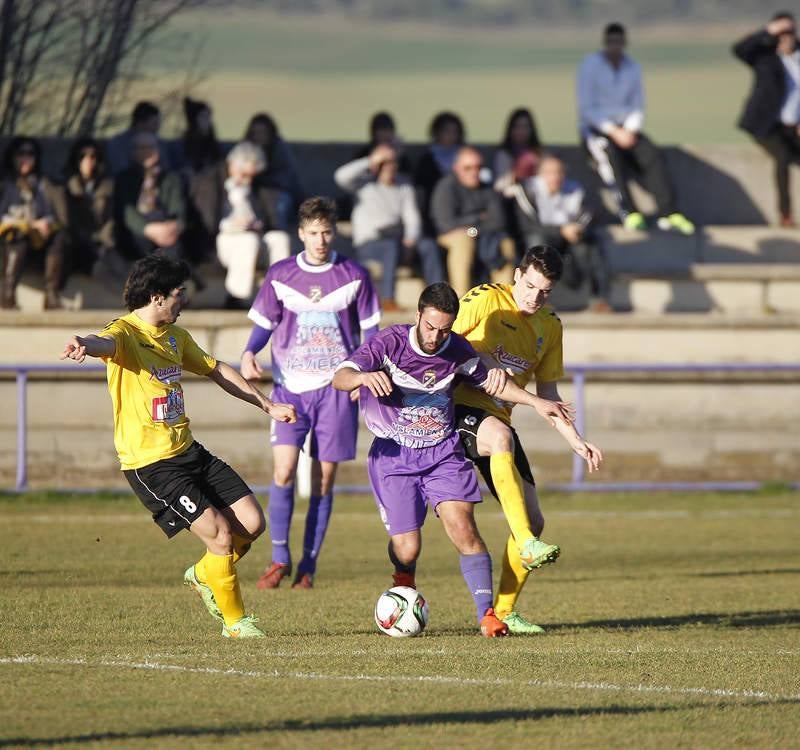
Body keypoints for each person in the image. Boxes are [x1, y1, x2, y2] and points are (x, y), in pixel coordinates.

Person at [59, 254, 297, 639]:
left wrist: (267, 404)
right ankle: (236, 623)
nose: (183, 301)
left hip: (189, 452)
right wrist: (82, 343)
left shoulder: (175, 337)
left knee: (252, 524)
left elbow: (216, 369)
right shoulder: (125, 333)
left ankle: (205, 573)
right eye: (178, 294)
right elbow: (103, 342)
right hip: (151, 464)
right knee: (220, 535)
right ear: (156, 297)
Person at [331, 282, 574, 636]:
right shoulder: (390, 343)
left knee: (464, 529)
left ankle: (488, 615)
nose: (435, 337)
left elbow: (496, 385)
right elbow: (340, 377)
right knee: (408, 547)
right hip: (395, 456)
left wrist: (536, 402)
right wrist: (363, 377)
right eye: (430, 327)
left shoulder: (457, 349)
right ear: (418, 316)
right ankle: (404, 580)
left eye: (444, 329)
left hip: (443, 452)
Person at [453, 245, 603, 634]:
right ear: (517, 275)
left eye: (545, 291)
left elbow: (548, 393)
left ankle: (503, 612)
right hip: (452, 407)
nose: (534, 297)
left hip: (498, 415)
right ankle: (524, 543)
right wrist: (480, 363)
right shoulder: (485, 298)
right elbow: (441, 343)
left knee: (534, 519)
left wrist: (575, 438)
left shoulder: (550, 326)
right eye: (530, 286)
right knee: (500, 436)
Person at [241, 196, 381, 590]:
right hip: (291, 389)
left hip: (336, 390)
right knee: (283, 471)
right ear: (301, 233)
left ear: (334, 233)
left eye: (327, 232)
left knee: (323, 481)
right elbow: (265, 323)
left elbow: (370, 334)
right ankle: (279, 558)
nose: (320, 239)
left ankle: (309, 566)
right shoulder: (281, 274)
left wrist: (363, 378)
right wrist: (250, 350)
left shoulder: (354, 274)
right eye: (313, 232)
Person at [577, 23, 695, 234]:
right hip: (598, 128)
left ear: (624, 43)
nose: (615, 47)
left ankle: (669, 212)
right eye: (611, 42)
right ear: (605, 43)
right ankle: (629, 212)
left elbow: (638, 104)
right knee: (611, 158)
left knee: (652, 155)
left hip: (628, 128)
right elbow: (586, 108)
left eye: (618, 42)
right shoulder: (590, 65)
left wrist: (630, 129)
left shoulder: (632, 67)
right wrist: (613, 131)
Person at [335, 143, 444, 311]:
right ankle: (387, 300)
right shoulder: (362, 185)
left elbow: (412, 217)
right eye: (384, 162)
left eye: (392, 161)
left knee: (428, 246)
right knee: (389, 247)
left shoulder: (404, 185)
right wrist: (370, 161)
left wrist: (411, 239)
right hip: (370, 243)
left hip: (398, 239)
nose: (389, 166)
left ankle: (438, 298)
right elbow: (340, 176)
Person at [191, 141, 291, 309]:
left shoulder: (257, 186)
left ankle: (279, 295)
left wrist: (255, 223)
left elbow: (270, 219)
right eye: (243, 174)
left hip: (256, 237)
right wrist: (231, 225)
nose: (247, 180)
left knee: (279, 238)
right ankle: (236, 296)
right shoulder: (210, 181)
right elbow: (206, 221)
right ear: (232, 164)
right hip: (224, 240)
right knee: (247, 240)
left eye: (251, 176)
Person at [512, 154, 613, 312]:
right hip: (542, 238)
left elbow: (589, 214)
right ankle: (535, 296)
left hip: (571, 239)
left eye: (559, 172)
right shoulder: (527, 190)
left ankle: (599, 298)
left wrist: (578, 228)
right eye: (549, 172)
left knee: (591, 244)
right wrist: (560, 230)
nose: (555, 177)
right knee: (537, 242)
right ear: (539, 174)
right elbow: (528, 225)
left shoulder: (576, 190)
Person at [733, 12, 800, 227]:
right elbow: (740, 50)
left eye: (788, 34)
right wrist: (768, 30)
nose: (785, 40)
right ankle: (785, 214)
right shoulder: (766, 58)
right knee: (782, 156)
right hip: (766, 125)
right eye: (781, 36)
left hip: (793, 125)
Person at [431, 146, 516, 297]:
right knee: (463, 241)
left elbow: (498, 221)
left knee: (506, 243)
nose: (474, 172)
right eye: (467, 168)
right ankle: (460, 299)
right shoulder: (446, 187)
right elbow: (446, 224)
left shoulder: (487, 189)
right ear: (456, 168)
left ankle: (504, 299)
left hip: (482, 235)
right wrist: (478, 218)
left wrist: (472, 229)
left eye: (478, 167)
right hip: (449, 237)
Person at [0, 136, 67, 309]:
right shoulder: (5, 183)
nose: (25, 159)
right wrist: (28, 224)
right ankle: (7, 294)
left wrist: (44, 222)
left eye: (30, 154)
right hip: (9, 240)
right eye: (20, 154)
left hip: (37, 240)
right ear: (12, 157)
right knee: (16, 234)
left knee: (58, 235)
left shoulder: (42, 183)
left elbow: (52, 213)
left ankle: (51, 294)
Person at [113, 131, 186, 262]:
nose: (148, 151)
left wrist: (173, 226)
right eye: (142, 148)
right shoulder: (124, 179)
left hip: (165, 230)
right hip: (137, 230)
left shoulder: (171, 178)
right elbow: (126, 212)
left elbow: (178, 209)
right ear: (133, 152)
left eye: (152, 147)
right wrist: (149, 229)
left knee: (172, 251)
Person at [63, 137, 115, 278]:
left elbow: (110, 218)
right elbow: (68, 219)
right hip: (76, 240)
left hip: (101, 240)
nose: (88, 160)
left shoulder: (107, 185)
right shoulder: (65, 184)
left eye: (93, 156)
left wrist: (104, 241)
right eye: (82, 156)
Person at [244, 113, 304, 230]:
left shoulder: (280, 151)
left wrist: (262, 180)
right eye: (256, 132)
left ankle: (276, 229)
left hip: (278, 194)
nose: (259, 136)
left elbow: (287, 180)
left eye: (263, 132)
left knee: (277, 203)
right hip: (253, 195)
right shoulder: (245, 151)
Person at [413, 111, 466, 238]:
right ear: (436, 133)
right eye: (446, 131)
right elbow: (421, 193)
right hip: (437, 220)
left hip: (463, 217)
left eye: (455, 132)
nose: (451, 136)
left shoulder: (466, 158)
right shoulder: (427, 161)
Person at [106, 101, 172, 176]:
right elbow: (120, 169)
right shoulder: (118, 143)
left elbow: (166, 169)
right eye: (154, 124)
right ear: (140, 123)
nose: (157, 128)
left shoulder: (159, 143)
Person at [493, 107, 542, 198]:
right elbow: (500, 185)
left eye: (525, 127)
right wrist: (517, 173)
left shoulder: (539, 154)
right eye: (518, 127)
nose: (521, 131)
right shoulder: (503, 154)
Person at [173, 97, 223, 178]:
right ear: (194, 120)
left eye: (209, 116)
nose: (208, 121)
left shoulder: (213, 144)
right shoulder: (183, 145)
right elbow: (185, 167)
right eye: (203, 116)